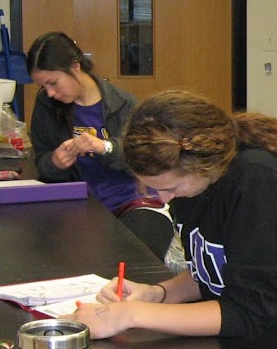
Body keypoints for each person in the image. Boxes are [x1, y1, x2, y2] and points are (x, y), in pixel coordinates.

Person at [70, 89, 277, 349]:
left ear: (202, 166)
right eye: (152, 188)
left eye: (168, 188)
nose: (163, 199)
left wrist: (129, 314)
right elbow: (211, 270)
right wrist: (155, 294)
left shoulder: (257, 183)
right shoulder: (193, 187)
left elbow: (249, 310)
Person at [27, 32, 175, 260]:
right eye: (44, 86)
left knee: (136, 258)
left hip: (132, 202)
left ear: (75, 67)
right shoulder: (47, 105)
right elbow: (43, 165)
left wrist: (106, 147)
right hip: (77, 205)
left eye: (53, 83)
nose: (50, 93)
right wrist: (54, 162)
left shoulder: (123, 103)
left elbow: (143, 159)